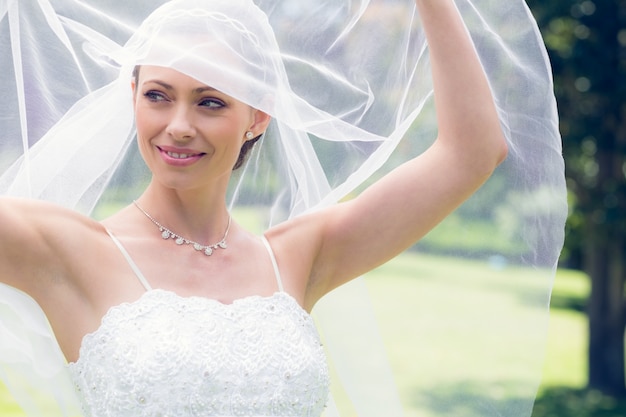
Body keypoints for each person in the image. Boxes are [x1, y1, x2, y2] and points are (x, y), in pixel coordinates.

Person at [0, 0, 566, 416]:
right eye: (158, 95)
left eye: (211, 101)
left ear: (259, 116)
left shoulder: (300, 255)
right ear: (133, 98)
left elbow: (472, 152)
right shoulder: (67, 249)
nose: (178, 125)